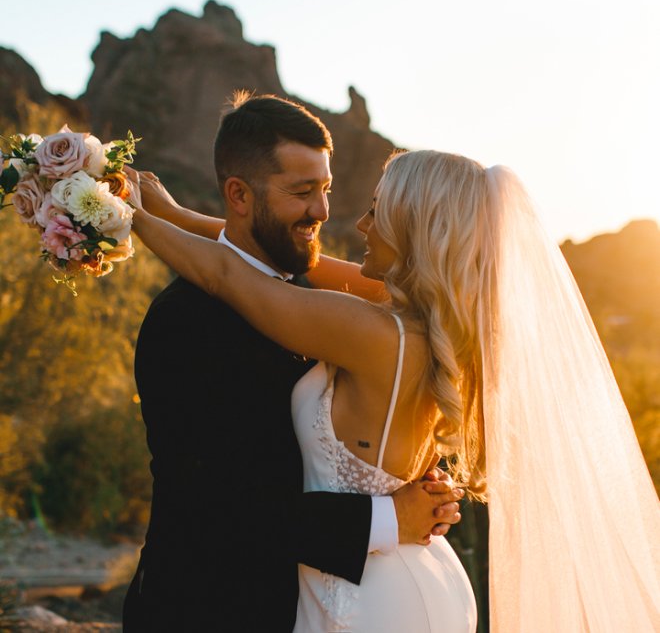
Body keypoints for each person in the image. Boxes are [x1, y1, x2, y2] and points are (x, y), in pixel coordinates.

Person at [131, 144, 660, 631]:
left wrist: (122, 214)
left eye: (378, 211)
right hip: (408, 571)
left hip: (371, 594)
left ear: (413, 228)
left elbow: (231, 275)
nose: (361, 224)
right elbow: (298, 265)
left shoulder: (375, 332)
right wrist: (175, 214)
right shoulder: (436, 323)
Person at [122, 94, 466, 632]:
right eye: (304, 192)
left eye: (326, 189)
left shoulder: (327, 305)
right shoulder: (184, 320)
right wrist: (389, 512)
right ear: (238, 194)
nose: (328, 214)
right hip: (208, 610)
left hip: (354, 597)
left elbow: (236, 272)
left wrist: (399, 480)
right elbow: (212, 505)